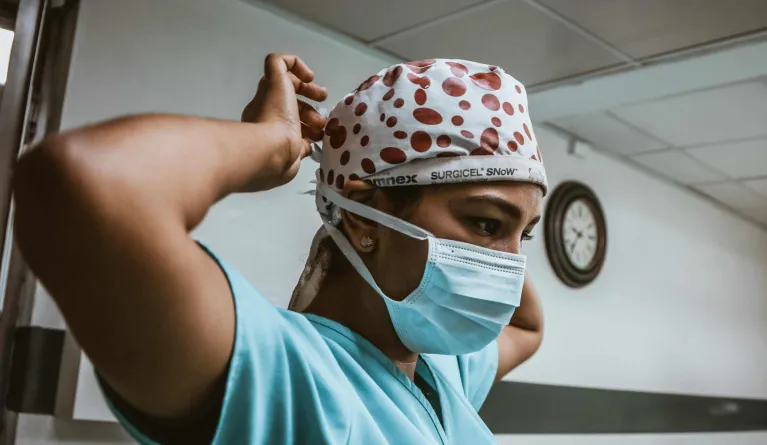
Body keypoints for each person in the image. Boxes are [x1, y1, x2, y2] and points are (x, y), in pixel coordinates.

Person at [12, 54, 547, 444]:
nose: (510, 262)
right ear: (364, 218)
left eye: (523, 235)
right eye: (485, 223)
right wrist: (273, 143)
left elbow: (527, 327)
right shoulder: (286, 379)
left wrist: (503, 205)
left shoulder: (439, 375)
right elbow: (85, 184)